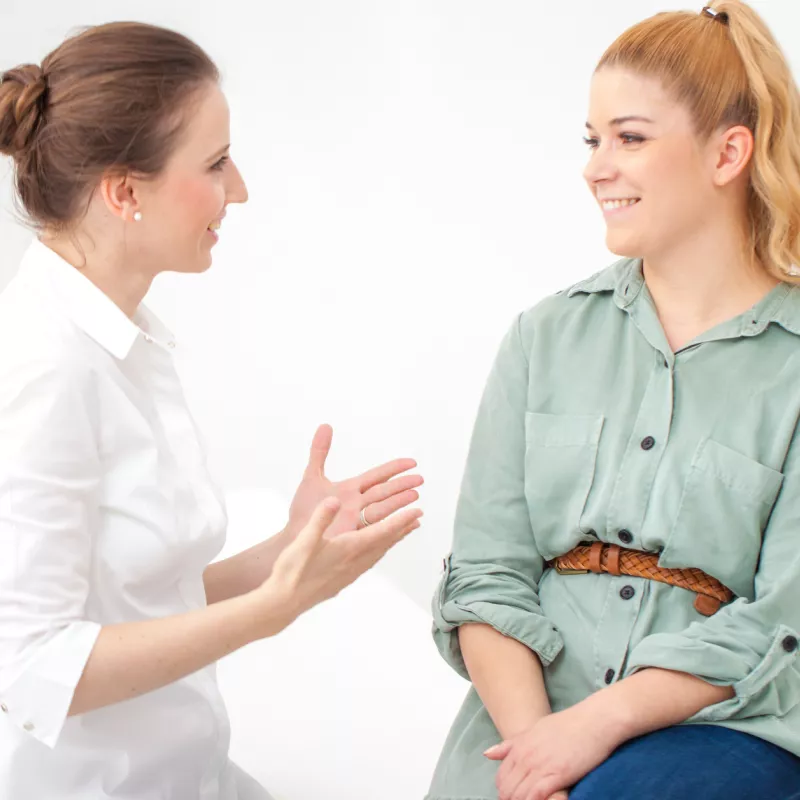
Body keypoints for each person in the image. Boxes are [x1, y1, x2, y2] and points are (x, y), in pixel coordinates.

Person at [0, 21, 424, 800]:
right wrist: (274, 608)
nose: (240, 189)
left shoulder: (124, 338)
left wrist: (288, 551)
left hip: (191, 778)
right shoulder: (43, 368)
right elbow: (30, 671)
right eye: (217, 163)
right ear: (125, 192)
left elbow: (139, 599)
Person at [427, 3, 800, 799]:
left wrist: (595, 729)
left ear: (728, 152)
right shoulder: (545, 337)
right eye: (593, 140)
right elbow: (486, 578)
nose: (597, 167)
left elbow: (783, 616)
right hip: (520, 731)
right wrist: (538, 751)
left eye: (630, 137)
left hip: (724, 730)